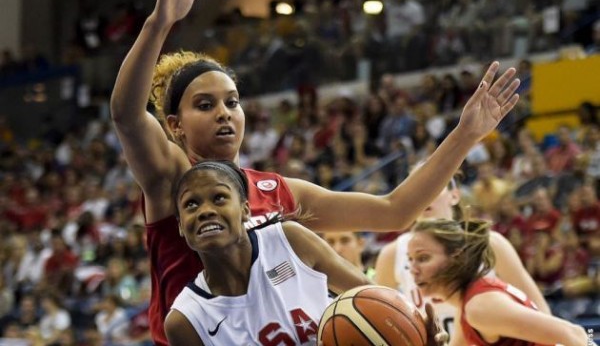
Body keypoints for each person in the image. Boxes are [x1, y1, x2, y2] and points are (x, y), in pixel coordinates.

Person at [110, 0, 520, 345]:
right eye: (205, 105)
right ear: (174, 125)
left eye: (232, 102)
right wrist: (158, 24)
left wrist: (466, 134)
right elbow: (127, 114)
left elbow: (395, 210)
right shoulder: (173, 178)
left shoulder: (278, 191)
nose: (224, 114)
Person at [164, 161, 437, 345]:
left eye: (220, 197)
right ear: (179, 226)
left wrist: (414, 332)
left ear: (246, 210)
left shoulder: (288, 240)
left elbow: (372, 296)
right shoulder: (186, 319)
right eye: (191, 204)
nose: (206, 210)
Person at [374, 172, 550, 337]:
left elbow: (540, 309)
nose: (424, 195)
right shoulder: (392, 252)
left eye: (433, 186)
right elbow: (379, 323)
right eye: (416, 189)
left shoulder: (488, 243)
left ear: (455, 195)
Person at [407, 218, 590, 346]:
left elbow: (575, 334)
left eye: (423, 258)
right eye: (410, 260)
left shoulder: (480, 307)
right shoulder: (470, 305)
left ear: (455, 258)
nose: (413, 269)